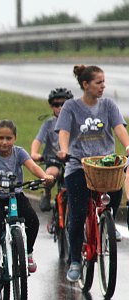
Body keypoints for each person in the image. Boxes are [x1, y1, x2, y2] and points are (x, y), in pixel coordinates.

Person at [56, 64, 129, 282]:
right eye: (98, 83)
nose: (103, 87)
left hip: (105, 164)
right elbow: (64, 132)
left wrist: (127, 146)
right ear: (85, 85)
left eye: (104, 82)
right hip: (78, 165)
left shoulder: (108, 105)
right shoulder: (70, 107)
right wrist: (64, 150)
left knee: (116, 191)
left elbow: (119, 129)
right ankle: (76, 261)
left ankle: (109, 221)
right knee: (78, 213)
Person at [0, 120, 54, 290]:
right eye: (1, 138)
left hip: (14, 194)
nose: (4, 142)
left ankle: (28, 253)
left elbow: (32, 166)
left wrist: (44, 176)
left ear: (15, 138)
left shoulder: (19, 153)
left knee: (32, 220)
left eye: (9, 138)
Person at [30, 87, 73, 212]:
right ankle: (47, 193)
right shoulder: (48, 124)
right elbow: (37, 140)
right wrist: (34, 153)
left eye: (63, 104)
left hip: (72, 159)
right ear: (51, 106)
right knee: (51, 173)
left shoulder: (75, 121)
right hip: (53, 158)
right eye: (56, 104)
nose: (60, 107)